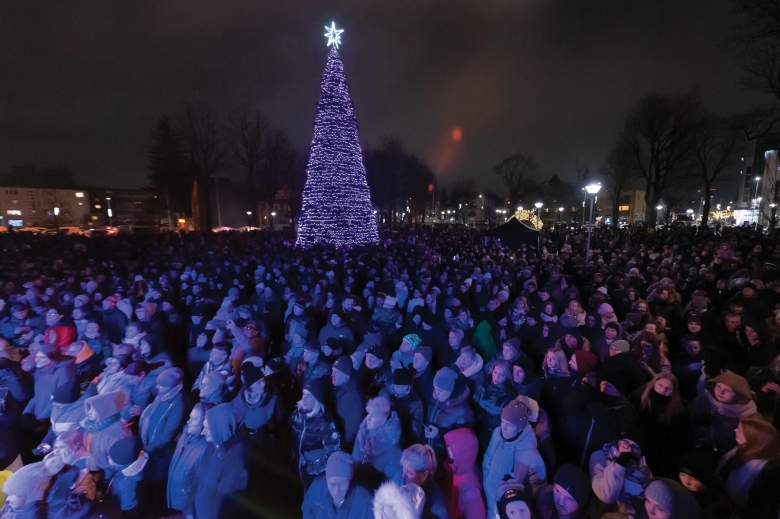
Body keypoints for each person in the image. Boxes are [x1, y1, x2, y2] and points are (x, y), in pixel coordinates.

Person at [185, 403, 248, 519]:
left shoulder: (237, 459)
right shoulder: (213, 443)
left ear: (222, 429)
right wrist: (189, 508)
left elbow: (224, 505)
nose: (203, 432)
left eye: (208, 429)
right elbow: (198, 477)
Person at [483, 400, 546, 511]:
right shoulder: (497, 434)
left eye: (509, 425)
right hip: (489, 500)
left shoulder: (532, 456)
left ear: (519, 428)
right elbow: (487, 458)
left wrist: (516, 500)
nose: (503, 427)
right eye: (502, 421)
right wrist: (487, 483)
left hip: (510, 510)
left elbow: (537, 489)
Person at [715, 417, 780, 517]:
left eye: (740, 429)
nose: (735, 430)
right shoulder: (740, 450)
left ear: (752, 439)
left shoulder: (766, 473)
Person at [139, 367, 188, 485]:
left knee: (156, 481)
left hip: (160, 454)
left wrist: (148, 449)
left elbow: (166, 436)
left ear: (171, 386)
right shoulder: (162, 396)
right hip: (150, 448)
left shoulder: (178, 403)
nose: (157, 387)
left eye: (162, 385)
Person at [689, 371, 758, 453]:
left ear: (738, 395)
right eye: (718, 386)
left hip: (726, 452)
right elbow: (691, 415)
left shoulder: (747, 416)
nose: (721, 392)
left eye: (728, 390)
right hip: (702, 447)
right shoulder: (702, 400)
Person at [291, 378, 342, 489]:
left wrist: (312, 467)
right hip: (298, 467)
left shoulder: (327, 423)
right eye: (304, 394)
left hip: (315, 475)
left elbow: (334, 453)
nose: (304, 399)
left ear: (317, 399)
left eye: (309, 396)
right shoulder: (296, 415)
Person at [588, 430, 652, 517]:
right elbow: (607, 496)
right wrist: (620, 464)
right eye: (625, 442)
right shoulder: (600, 458)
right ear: (618, 441)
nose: (629, 449)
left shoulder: (642, 468)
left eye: (635, 446)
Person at [167, 402, 213, 513]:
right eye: (190, 417)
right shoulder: (185, 435)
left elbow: (201, 488)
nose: (188, 422)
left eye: (194, 419)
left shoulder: (205, 451)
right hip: (173, 495)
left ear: (204, 423)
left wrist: (190, 510)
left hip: (185, 505)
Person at [302, 451, 372, 519]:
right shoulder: (317, 487)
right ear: (326, 480)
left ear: (350, 480)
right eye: (332, 484)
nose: (336, 491)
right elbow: (307, 509)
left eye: (342, 484)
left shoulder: (366, 503)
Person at [425, 367, 475, 458]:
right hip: (429, 449)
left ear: (451, 388)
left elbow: (461, 441)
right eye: (435, 388)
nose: (437, 393)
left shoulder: (463, 411)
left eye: (440, 390)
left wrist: (439, 434)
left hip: (444, 456)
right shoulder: (437, 396)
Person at [352, 396, 403, 485]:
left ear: (384, 420)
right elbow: (354, 459)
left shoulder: (393, 449)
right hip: (356, 482)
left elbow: (395, 483)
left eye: (374, 416)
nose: (368, 418)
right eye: (368, 414)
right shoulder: (362, 433)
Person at [79, 390, 132, 471]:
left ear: (104, 411)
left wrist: (87, 462)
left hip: (104, 473)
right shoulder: (93, 426)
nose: (89, 412)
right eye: (89, 409)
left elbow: (115, 462)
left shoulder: (117, 433)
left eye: (93, 410)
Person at [443, 428, 486, 519]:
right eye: (448, 446)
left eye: (453, 449)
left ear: (463, 453)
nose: (448, 449)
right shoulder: (459, 465)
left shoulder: (471, 491)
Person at [400, 444, 449, 519]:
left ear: (424, 475)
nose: (403, 475)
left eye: (409, 472)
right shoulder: (412, 484)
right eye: (403, 468)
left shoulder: (437, 509)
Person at [105, 435, 149, 518]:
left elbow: (129, 514)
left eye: (112, 458)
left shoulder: (128, 487)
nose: (108, 458)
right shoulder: (120, 470)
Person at [332, 356, 366, 451]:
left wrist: (336, 447)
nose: (332, 374)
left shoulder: (355, 399)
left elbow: (349, 433)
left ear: (347, 376)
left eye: (337, 372)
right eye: (332, 370)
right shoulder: (335, 388)